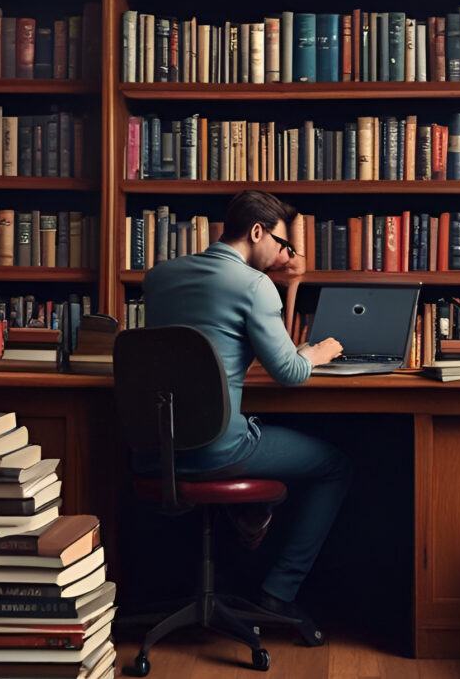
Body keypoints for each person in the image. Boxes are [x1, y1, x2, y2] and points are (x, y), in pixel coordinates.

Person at [140, 190, 350, 644]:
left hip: (155, 448)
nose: (283, 253)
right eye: (281, 243)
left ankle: (253, 512)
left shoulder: (159, 277)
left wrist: (289, 285)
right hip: (219, 450)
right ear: (257, 231)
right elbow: (290, 372)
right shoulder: (252, 286)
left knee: (254, 439)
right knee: (335, 464)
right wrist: (317, 352)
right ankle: (279, 590)